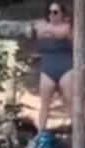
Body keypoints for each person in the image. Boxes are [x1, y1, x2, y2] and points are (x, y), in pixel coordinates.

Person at [30, 2, 73, 132]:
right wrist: (44, 29)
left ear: (62, 14)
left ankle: (78, 132)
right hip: (47, 68)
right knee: (44, 103)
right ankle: (40, 133)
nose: (52, 15)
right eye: (49, 12)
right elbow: (35, 33)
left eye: (55, 12)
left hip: (65, 67)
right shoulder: (43, 26)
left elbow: (60, 34)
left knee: (70, 101)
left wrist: (46, 29)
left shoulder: (67, 27)